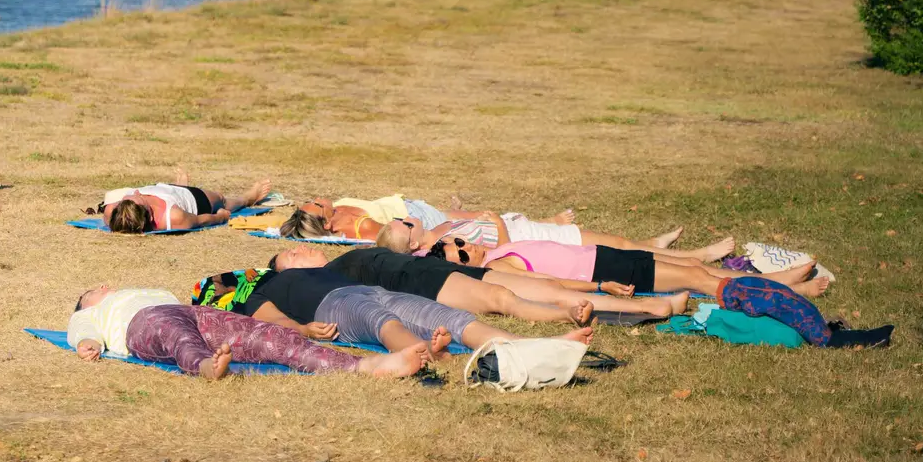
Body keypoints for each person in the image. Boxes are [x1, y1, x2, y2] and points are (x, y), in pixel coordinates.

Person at [193, 263, 595, 361]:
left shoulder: (290, 271)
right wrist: (305, 329)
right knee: (381, 324)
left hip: (370, 288)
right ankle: (421, 354)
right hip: (335, 308)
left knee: (451, 318)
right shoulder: (252, 297)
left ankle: (536, 345)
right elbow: (274, 321)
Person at [66, 285, 427, 380]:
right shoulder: (97, 310)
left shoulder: (139, 290)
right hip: (143, 324)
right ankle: (207, 368)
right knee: (179, 340)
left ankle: (365, 367)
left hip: (192, 312)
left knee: (270, 338)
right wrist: (87, 341)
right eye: (90, 292)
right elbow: (81, 326)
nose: (100, 288)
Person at [265, 244, 689, 324]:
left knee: (539, 284)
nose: (298, 253)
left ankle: (658, 302)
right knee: (502, 299)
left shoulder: (344, 254)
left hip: (434, 270)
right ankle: (646, 309)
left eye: (295, 250)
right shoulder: (325, 278)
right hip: (420, 285)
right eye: (291, 257)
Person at [285, 196, 732, 260]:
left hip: (523, 228)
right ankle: (688, 257)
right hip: (527, 239)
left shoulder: (435, 231)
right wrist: (496, 221)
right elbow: (495, 251)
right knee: (613, 246)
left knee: (615, 243)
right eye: (404, 222)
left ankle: (658, 247)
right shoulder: (435, 241)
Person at [442, 236, 831, 299]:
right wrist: (600, 288)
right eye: (458, 255)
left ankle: (777, 279)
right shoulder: (500, 267)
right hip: (604, 271)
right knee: (698, 281)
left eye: (459, 242)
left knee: (695, 266)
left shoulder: (496, 247)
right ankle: (790, 291)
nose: (464, 248)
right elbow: (547, 281)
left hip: (604, 255)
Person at [91, 171, 272, 233]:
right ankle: (248, 198)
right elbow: (202, 220)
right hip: (191, 199)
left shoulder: (112, 212)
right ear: (147, 211)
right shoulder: (174, 217)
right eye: (137, 196)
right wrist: (221, 217)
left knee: (170, 191)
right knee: (221, 199)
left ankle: (178, 186)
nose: (137, 191)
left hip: (162, 189)